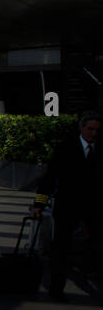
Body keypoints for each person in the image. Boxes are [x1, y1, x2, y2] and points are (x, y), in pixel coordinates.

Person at [32, 111, 102, 299]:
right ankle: (56, 288)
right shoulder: (66, 148)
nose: (94, 133)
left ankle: (94, 273)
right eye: (90, 129)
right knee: (61, 247)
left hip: (94, 207)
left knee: (96, 243)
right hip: (68, 204)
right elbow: (49, 177)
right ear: (82, 128)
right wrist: (39, 204)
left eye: (97, 130)